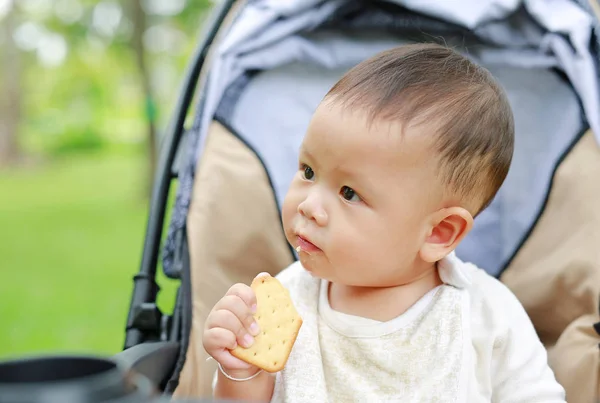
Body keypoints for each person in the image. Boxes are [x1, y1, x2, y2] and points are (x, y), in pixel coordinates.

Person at [201, 43, 566, 402]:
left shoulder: (486, 315)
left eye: (349, 193)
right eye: (308, 171)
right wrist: (241, 371)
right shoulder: (287, 298)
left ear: (439, 232)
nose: (310, 205)